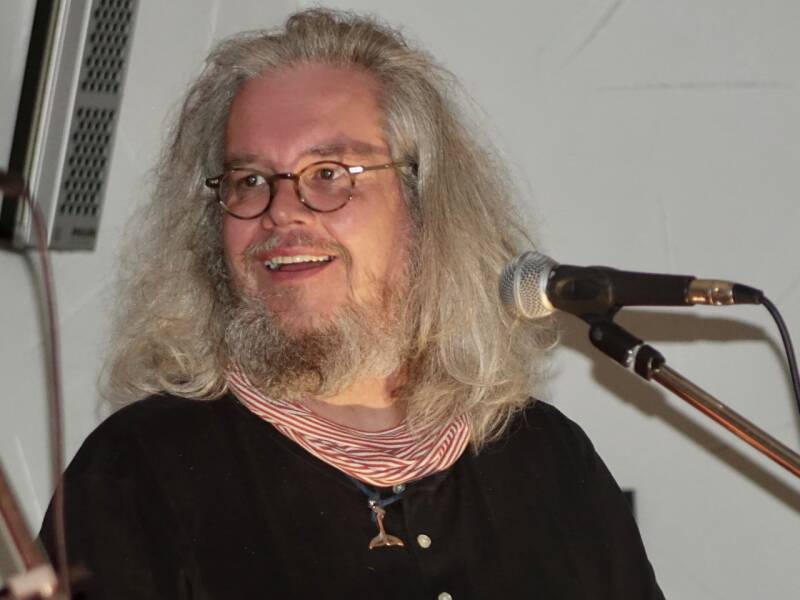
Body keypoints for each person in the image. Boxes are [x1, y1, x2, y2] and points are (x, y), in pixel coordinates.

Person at [40, 9, 664, 599]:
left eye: (329, 173)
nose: (282, 211)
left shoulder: (548, 460)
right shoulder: (138, 473)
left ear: (425, 206)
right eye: (250, 180)